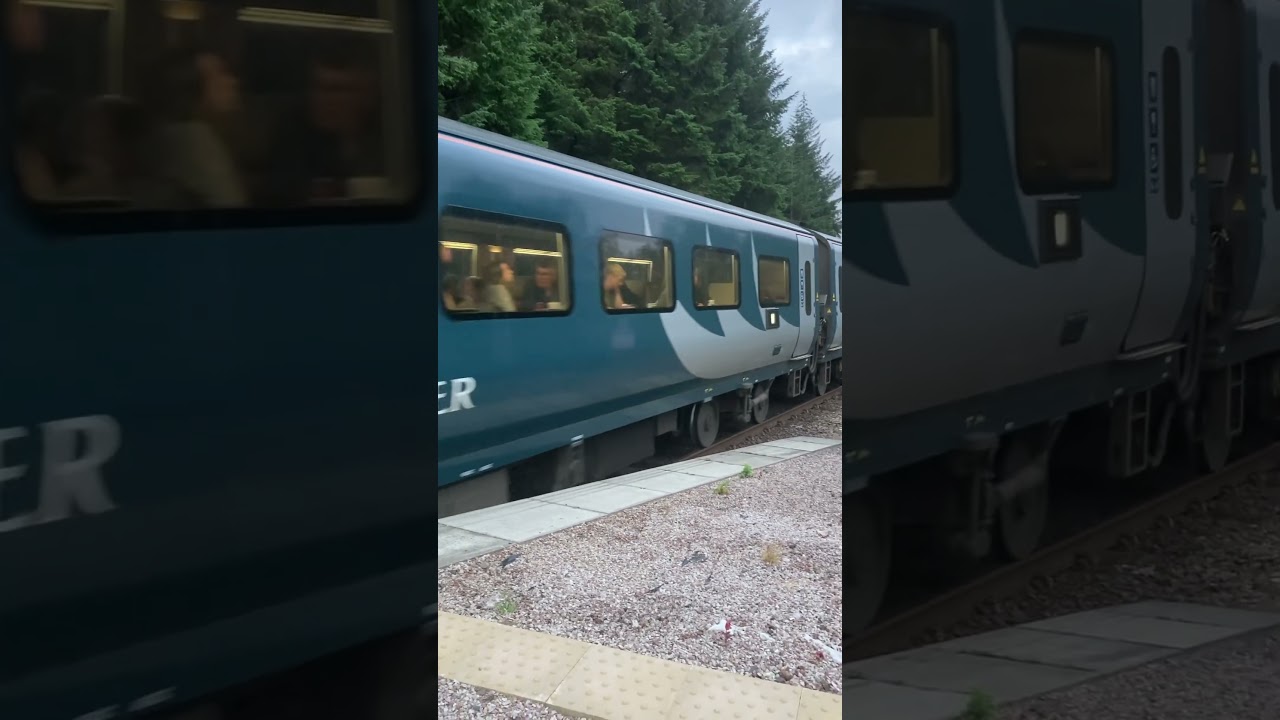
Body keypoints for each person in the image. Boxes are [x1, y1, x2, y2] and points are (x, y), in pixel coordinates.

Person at [266, 41, 384, 204]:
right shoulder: (294, 132)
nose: (323, 99)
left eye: (337, 89)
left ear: (363, 95)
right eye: (318, 87)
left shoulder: (387, 133)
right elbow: (283, 193)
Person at [144, 47, 248, 208]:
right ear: (189, 91)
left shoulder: (178, 135)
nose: (233, 82)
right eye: (220, 74)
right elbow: (232, 210)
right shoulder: (192, 141)